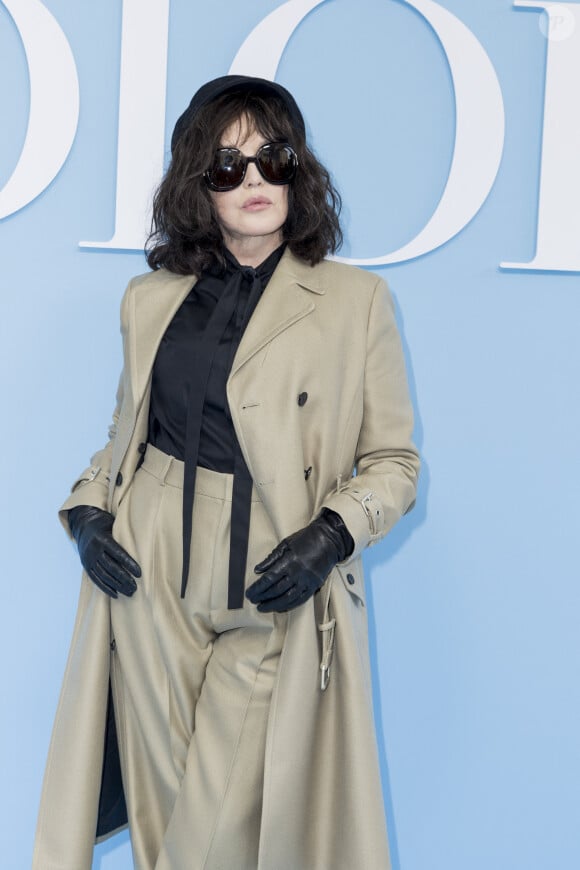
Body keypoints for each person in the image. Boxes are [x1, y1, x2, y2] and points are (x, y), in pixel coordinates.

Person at [33, 75, 420, 870]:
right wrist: (87, 514)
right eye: (227, 165)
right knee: (162, 810)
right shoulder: (150, 299)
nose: (253, 182)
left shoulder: (356, 301)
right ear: (195, 186)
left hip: (276, 567)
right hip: (150, 566)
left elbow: (394, 461)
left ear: (297, 170)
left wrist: (332, 534)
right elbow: (125, 436)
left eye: (272, 158)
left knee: (213, 832)